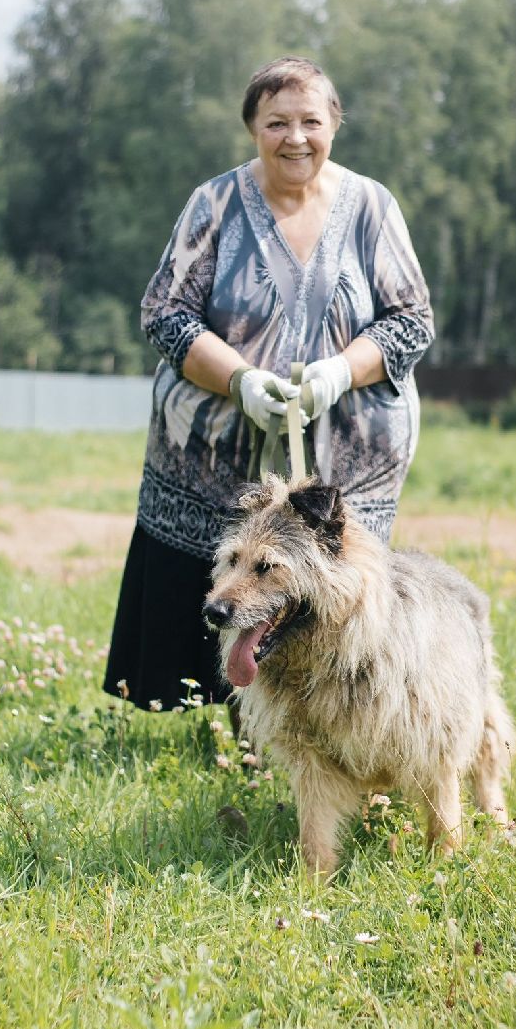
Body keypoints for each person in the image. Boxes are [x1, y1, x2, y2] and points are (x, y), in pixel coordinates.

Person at [103, 55, 434, 712]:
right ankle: (227, 732)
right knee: (235, 579)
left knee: (329, 596)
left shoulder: (372, 207)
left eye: (311, 120)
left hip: (348, 459)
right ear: (253, 127)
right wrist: (243, 383)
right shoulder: (214, 203)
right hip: (216, 450)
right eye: (277, 121)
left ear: (333, 124)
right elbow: (165, 313)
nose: (296, 137)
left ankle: (337, 739)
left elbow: (413, 320)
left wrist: (340, 372)